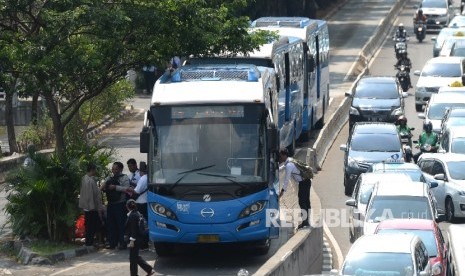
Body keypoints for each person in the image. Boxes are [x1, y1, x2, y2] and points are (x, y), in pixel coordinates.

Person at [278, 148, 312, 229]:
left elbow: (286, 179)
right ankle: (307, 220)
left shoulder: (289, 165)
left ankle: (305, 221)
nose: (279, 158)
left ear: (284, 155)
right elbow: (283, 167)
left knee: (302, 201)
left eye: (280, 156)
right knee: (306, 201)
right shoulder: (290, 161)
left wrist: (282, 191)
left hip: (303, 183)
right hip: (306, 182)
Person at [100, 161, 130, 250]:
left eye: (116, 169)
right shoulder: (109, 178)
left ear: (120, 169)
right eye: (113, 169)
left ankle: (122, 243)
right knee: (111, 224)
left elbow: (127, 189)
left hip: (120, 204)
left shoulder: (124, 177)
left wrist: (116, 187)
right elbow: (102, 187)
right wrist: (105, 185)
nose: (114, 170)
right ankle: (112, 243)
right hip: (111, 204)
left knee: (121, 224)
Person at [124, 199, 154, 276]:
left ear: (127, 206)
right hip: (138, 238)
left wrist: (132, 241)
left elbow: (134, 229)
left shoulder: (132, 216)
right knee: (134, 257)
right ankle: (149, 269)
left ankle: (135, 274)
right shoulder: (137, 213)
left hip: (135, 239)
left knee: (133, 259)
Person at [78, 164, 104, 247]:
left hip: (86, 206)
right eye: (94, 170)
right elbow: (95, 194)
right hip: (91, 207)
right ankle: (90, 242)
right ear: (92, 170)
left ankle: (89, 242)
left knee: (88, 225)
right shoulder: (90, 180)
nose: (95, 172)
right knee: (91, 226)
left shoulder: (84, 178)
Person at [126, 162, 149, 249]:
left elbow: (137, 191)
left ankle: (143, 244)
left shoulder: (143, 178)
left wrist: (128, 189)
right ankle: (145, 243)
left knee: (141, 224)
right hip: (145, 203)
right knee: (145, 223)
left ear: (140, 171)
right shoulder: (148, 178)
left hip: (141, 204)